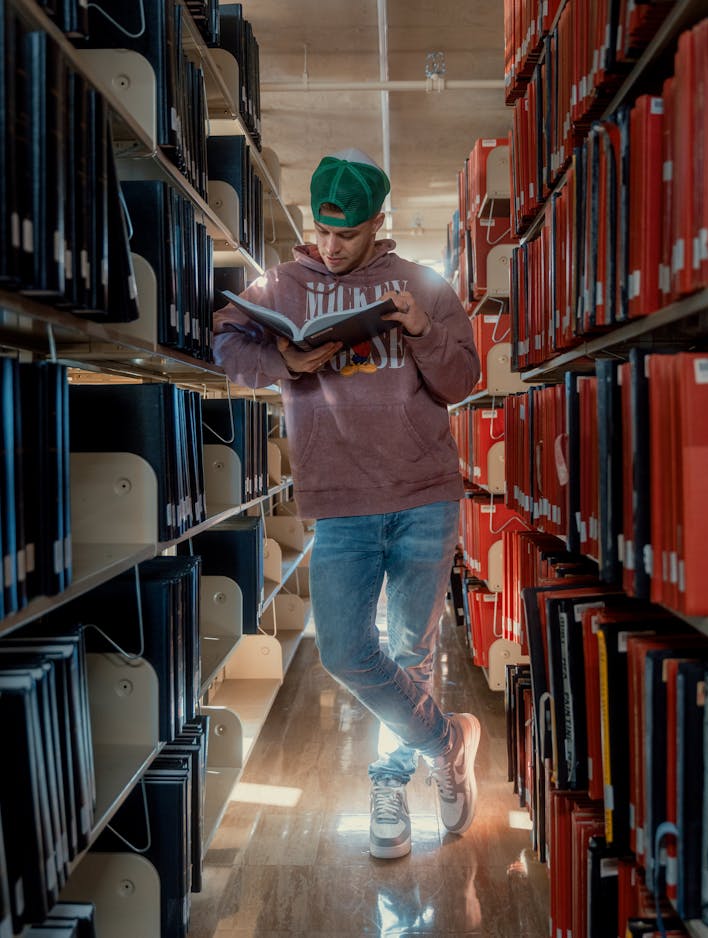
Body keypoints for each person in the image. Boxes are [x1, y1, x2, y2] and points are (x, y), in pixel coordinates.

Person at [213, 147, 482, 860]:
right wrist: (283, 362)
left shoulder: (423, 284)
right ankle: (448, 741)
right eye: (323, 231)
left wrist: (421, 329)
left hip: (426, 495)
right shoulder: (283, 285)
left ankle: (392, 776)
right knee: (344, 651)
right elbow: (226, 341)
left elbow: (463, 380)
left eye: (348, 234)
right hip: (340, 502)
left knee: (409, 651)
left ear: (378, 224)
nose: (331, 249)